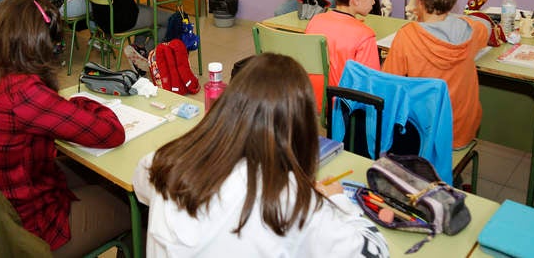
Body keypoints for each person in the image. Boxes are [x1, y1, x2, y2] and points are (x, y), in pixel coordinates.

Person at [133, 53, 389, 257]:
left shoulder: (165, 161)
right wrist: (341, 203)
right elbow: (374, 252)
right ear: (300, 128)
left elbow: (141, 187)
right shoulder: (290, 201)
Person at [0, 0, 129, 256]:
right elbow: (111, 133)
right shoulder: (22, 92)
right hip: (21, 231)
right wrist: (84, 101)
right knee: (133, 202)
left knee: (90, 175)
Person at [382, 0, 490, 149]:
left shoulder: (406, 37)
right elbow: (487, 26)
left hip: (423, 136)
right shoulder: (471, 31)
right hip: (460, 132)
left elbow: (388, 87)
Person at [306, 0, 381, 92]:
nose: (374, 2)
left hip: (314, 101)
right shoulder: (365, 35)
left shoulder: (315, 21)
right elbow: (371, 84)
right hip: (345, 106)